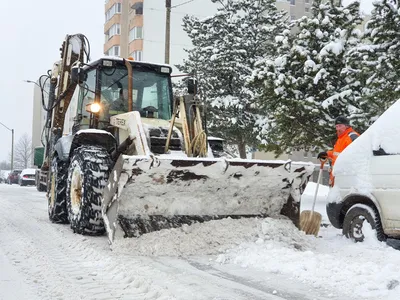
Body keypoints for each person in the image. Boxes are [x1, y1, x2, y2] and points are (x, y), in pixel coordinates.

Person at [317, 116, 360, 185]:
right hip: (337, 178)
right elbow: (336, 154)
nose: (338, 129)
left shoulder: (352, 137)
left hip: (346, 178)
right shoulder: (341, 138)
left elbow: (357, 155)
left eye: (340, 126)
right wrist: (327, 154)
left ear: (346, 126)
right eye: (336, 126)